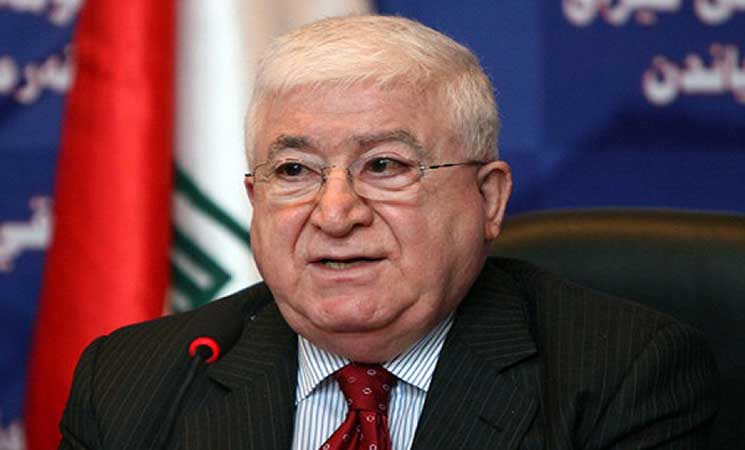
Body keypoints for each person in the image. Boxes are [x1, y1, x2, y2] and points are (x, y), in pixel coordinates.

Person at [59, 15, 718, 450]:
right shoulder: (133, 384)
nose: (335, 212)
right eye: (294, 171)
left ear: (487, 198)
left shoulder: (621, 377)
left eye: (384, 166)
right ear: (255, 201)